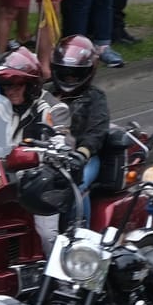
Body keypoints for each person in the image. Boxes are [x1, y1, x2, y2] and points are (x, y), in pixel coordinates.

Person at [48, 35, 111, 190]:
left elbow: (96, 133)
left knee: (75, 185)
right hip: (47, 157)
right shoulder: (45, 94)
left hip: (83, 158)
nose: (69, 78)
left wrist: (81, 155)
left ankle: (80, 215)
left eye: (75, 74)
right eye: (64, 73)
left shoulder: (95, 97)